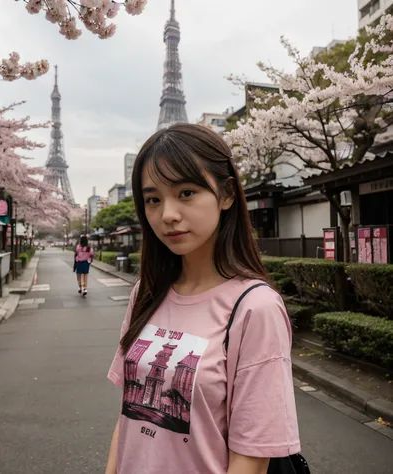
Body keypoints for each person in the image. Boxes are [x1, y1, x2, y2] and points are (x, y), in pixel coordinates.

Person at [105, 124, 300, 474]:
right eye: (153, 199)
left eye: (186, 193)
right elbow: (127, 417)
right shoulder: (146, 294)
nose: (167, 214)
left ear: (226, 195)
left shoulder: (255, 308)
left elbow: (251, 459)